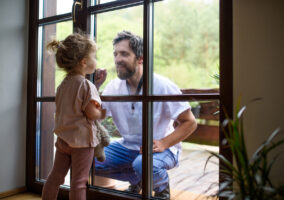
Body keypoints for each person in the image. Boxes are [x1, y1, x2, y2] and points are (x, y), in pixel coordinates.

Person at [94, 31, 197, 199]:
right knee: (88, 159)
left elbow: (190, 122)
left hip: (162, 149)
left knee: (143, 164)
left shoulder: (163, 85)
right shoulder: (113, 87)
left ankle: (162, 189)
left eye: (124, 54)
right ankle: (140, 179)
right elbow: (98, 116)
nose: (117, 59)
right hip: (128, 147)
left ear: (140, 58)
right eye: (116, 54)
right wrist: (95, 88)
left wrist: (164, 143)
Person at [42, 33, 106, 200]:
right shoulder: (86, 85)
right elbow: (91, 114)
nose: (96, 60)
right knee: (78, 183)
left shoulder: (63, 85)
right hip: (82, 143)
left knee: (55, 178)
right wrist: (102, 113)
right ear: (84, 62)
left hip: (63, 141)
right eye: (94, 56)